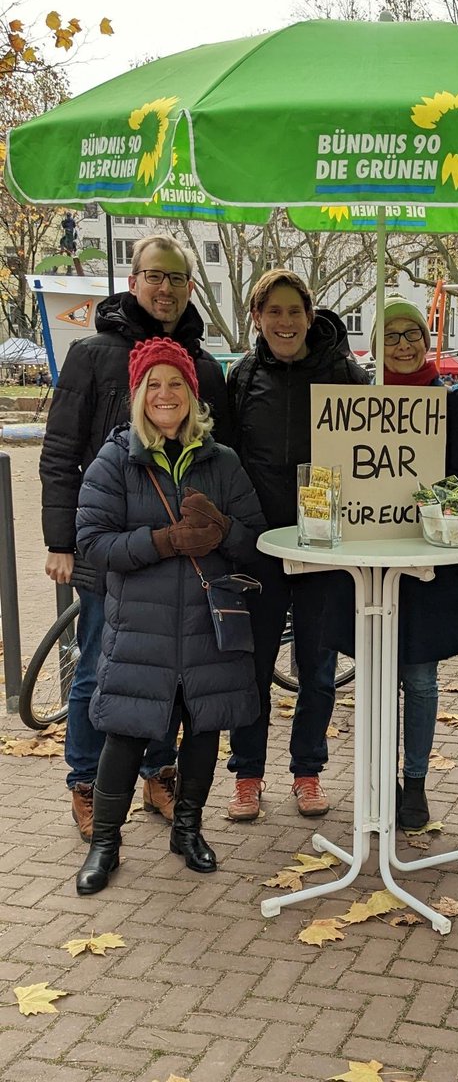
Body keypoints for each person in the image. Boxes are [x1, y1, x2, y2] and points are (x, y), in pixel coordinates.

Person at [40, 233, 231, 842]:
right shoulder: (93, 356)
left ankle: (156, 771)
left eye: (176, 278)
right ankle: (86, 780)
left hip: (184, 560)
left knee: (170, 673)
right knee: (102, 668)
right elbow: (61, 452)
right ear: (134, 280)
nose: (166, 288)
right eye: (155, 276)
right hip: (115, 553)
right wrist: (58, 539)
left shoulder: (203, 367)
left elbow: (221, 460)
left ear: (189, 287)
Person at [73, 337, 265, 895]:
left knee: (203, 728)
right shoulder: (116, 460)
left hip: (208, 623)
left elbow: (255, 542)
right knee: (126, 735)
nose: (164, 394)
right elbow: (93, 543)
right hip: (143, 629)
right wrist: (164, 540)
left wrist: (225, 532)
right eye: (153, 385)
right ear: (138, 396)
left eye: (175, 383)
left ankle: (188, 829)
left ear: (192, 392)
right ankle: (104, 845)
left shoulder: (222, 463)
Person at [325, 296, 458, 829]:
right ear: (375, 343)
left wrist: (424, 503)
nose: (406, 344)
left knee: (418, 679)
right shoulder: (359, 404)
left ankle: (413, 784)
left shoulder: (455, 401)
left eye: (414, 333)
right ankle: (378, 777)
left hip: (426, 568)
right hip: (369, 564)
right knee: (373, 679)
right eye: (392, 336)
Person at [226, 269, 370, 821]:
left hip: (323, 548)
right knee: (253, 666)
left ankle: (307, 772)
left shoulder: (345, 375)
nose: (284, 322)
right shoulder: (242, 378)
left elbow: (368, 454)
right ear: (257, 318)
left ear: (310, 316)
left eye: (294, 311)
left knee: (317, 665)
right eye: (273, 312)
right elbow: (227, 458)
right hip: (261, 548)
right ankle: (247, 775)